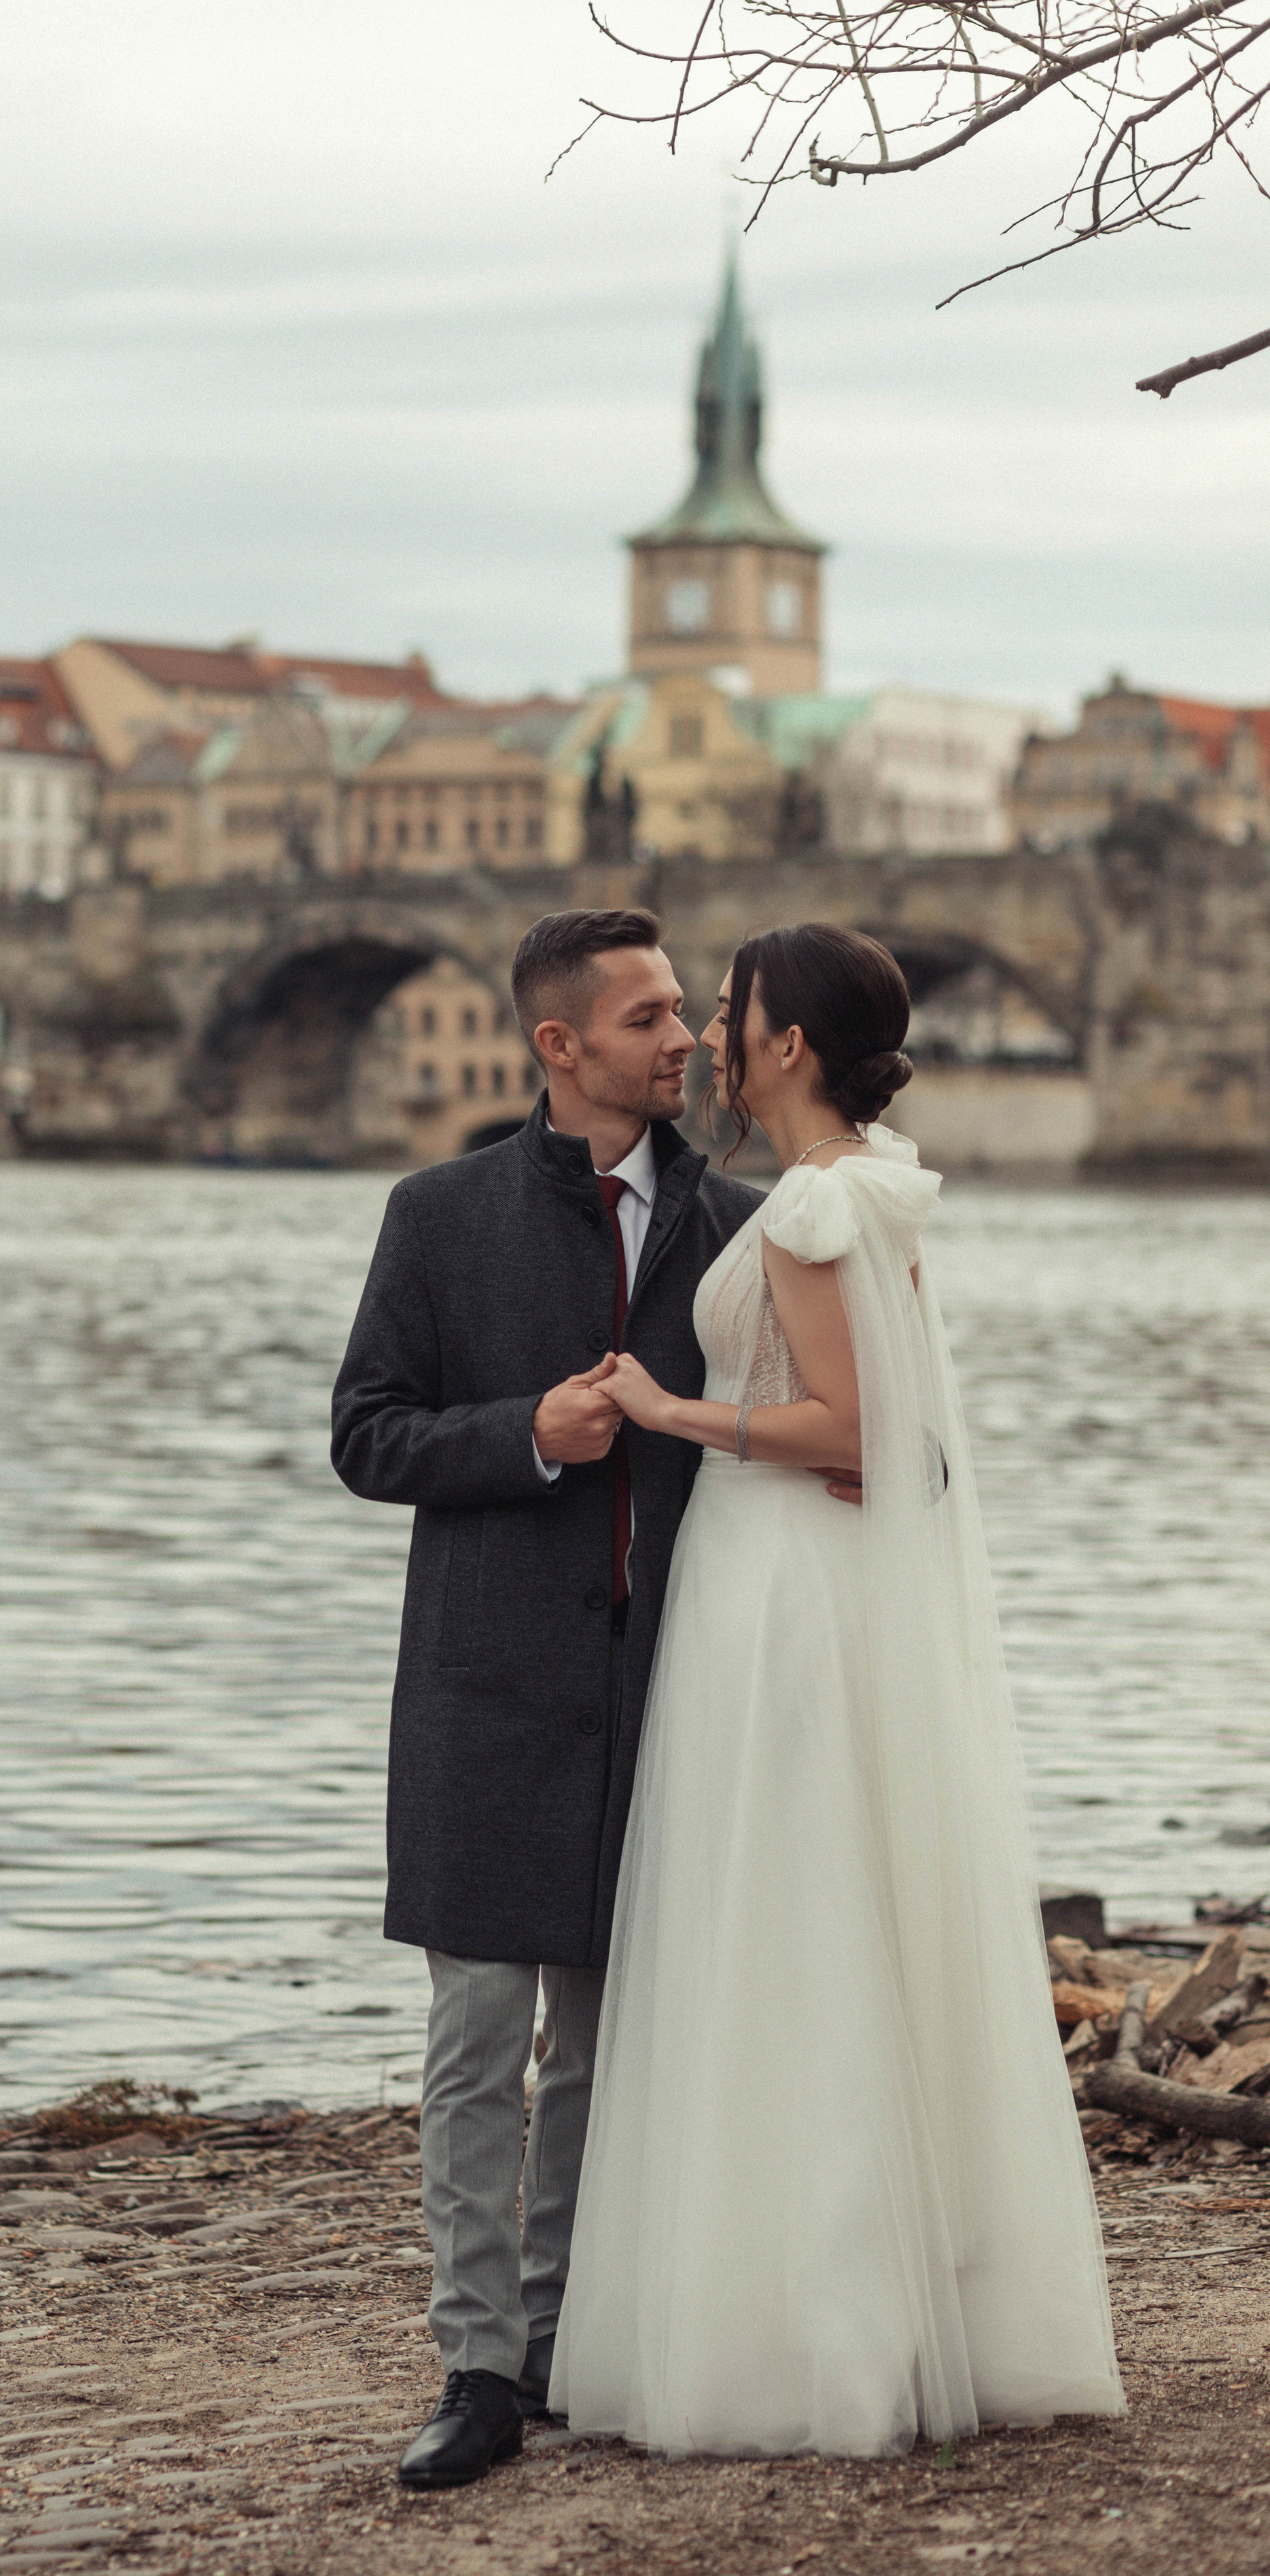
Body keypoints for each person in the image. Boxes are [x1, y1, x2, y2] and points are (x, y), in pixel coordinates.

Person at [550, 921, 1123, 2456]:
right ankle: (877, 2290)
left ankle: (798, 2329)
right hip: (808, 1585)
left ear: (782, 1046)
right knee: (833, 1904)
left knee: (781, 1915)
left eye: (724, 1016)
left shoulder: (813, 1202)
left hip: (775, 1592)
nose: (709, 1041)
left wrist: (672, 1410)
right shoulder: (880, 1184)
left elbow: (851, 1428)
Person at [331, 908, 766, 2488]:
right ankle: (474, 2367)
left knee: (600, 2045)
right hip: (482, 1685)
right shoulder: (435, 1216)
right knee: (471, 2044)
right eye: (649, 1016)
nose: (684, 1039)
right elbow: (367, 1436)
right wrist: (528, 1433)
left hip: (665, 1686)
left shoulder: (745, 1225)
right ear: (558, 1044)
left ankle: (565, 2333)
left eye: (683, 1011)